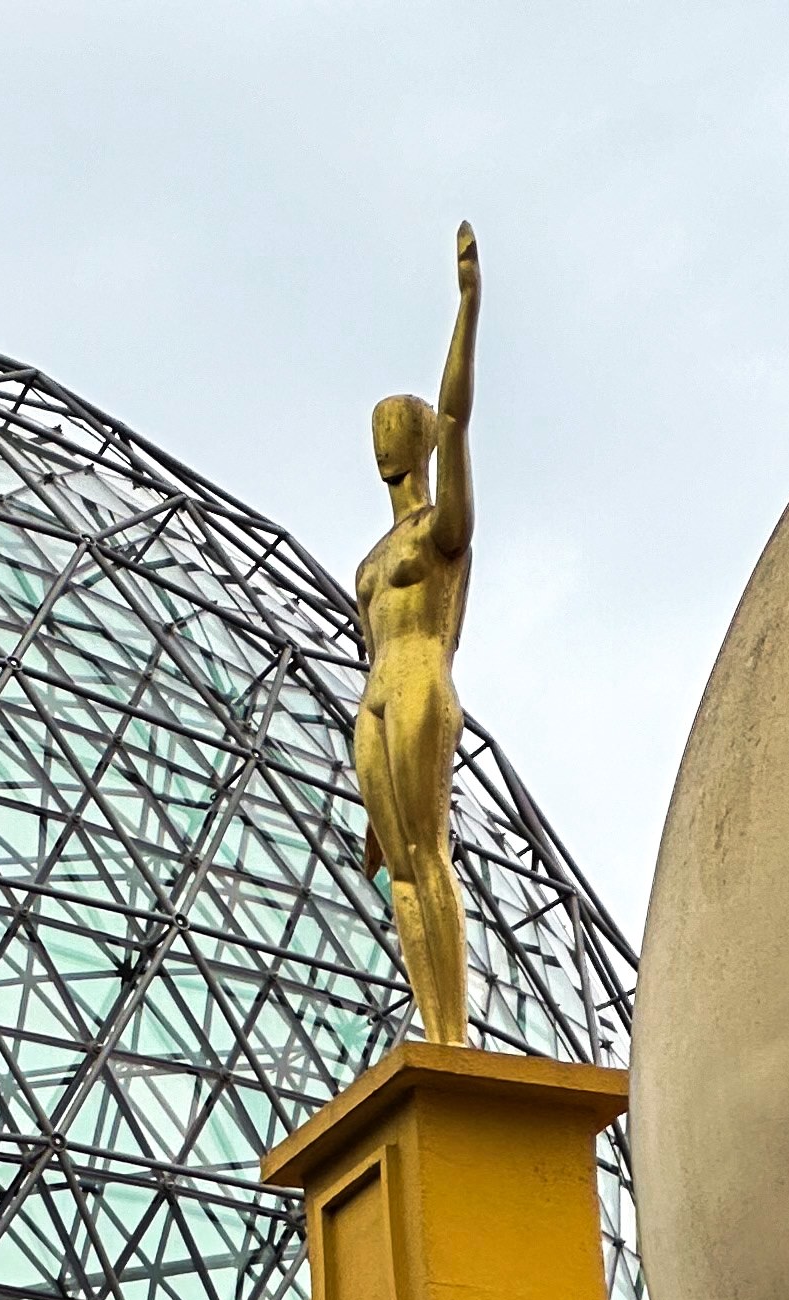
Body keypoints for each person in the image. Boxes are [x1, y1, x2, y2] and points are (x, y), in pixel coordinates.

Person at [355, 221, 482, 1046]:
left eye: (395, 426)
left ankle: (451, 1037)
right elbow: (366, 648)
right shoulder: (370, 560)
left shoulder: (444, 533)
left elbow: (461, 419)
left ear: (420, 439)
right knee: (400, 867)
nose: (383, 441)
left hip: (422, 684)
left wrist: (468, 304)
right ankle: (431, 1027)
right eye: (377, 429)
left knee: (429, 854)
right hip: (373, 703)